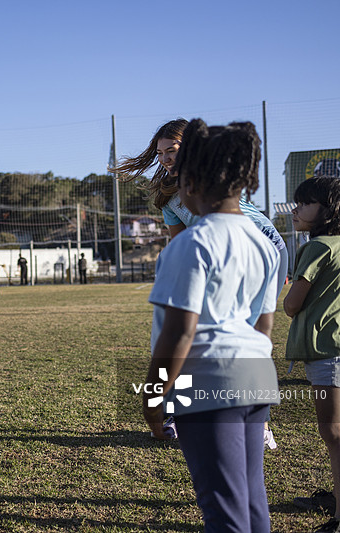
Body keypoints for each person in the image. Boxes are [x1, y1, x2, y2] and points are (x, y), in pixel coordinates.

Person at [114, 118, 287, 447]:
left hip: (262, 249)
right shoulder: (168, 194)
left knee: (250, 335)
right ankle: (182, 415)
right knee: (197, 338)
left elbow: (244, 232)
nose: (165, 158)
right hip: (215, 253)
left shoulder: (215, 186)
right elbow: (179, 241)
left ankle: (259, 423)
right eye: (160, 152)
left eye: (173, 150)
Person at [143, 120, 279, 533]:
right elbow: (264, 327)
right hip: (257, 377)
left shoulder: (190, 244)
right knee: (253, 503)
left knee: (223, 511)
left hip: (208, 382)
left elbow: (179, 334)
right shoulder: (265, 244)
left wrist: (152, 400)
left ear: (190, 182)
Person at [283, 176, 340, 533]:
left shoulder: (316, 247)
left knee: (333, 433)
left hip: (327, 353)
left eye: (305, 203)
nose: (296, 210)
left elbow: (291, 305)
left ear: (328, 210)